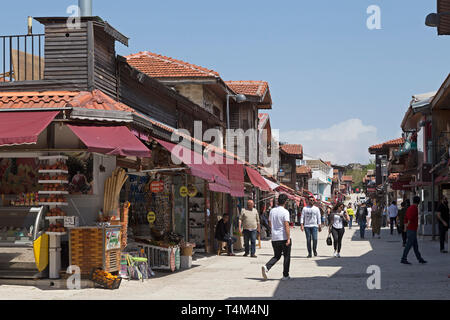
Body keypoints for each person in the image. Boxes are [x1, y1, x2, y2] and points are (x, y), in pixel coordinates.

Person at [262, 194, 292, 281]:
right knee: (286, 256)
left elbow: (270, 223)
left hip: (274, 237)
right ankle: (285, 275)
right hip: (283, 237)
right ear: (285, 202)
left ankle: (267, 266)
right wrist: (288, 238)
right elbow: (286, 225)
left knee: (277, 256)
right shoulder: (285, 212)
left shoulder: (272, 211)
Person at [401, 196, 427, 265]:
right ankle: (403, 258)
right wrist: (407, 227)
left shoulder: (410, 208)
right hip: (412, 229)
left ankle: (420, 259)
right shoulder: (414, 208)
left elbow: (406, 218)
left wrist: (405, 227)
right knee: (408, 245)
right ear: (419, 202)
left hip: (411, 229)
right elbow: (410, 218)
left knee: (415, 246)